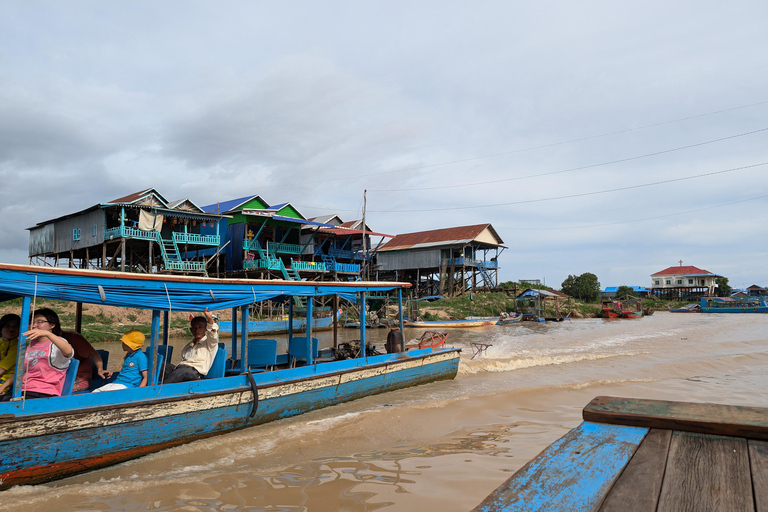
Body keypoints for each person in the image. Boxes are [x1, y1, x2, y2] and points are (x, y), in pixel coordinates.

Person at [18, 308, 73, 399]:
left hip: (43, 392)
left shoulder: (56, 344)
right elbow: (21, 369)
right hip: (23, 390)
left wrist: (48, 334)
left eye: (40, 322)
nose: (34, 325)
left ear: (52, 325)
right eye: (32, 322)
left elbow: (68, 351)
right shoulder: (31, 344)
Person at [163, 309, 218, 383]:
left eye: (200, 327)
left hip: (194, 374)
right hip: (179, 370)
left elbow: (213, 333)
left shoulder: (210, 343)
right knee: (160, 365)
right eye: (194, 328)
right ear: (191, 330)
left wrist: (209, 318)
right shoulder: (188, 346)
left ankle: (160, 391)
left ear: (205, 329)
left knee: (183, 371)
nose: (197, 330)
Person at [0, 314, 20, 396]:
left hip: (6, 383)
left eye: (15, 326)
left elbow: (1, 370)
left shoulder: (18, 346)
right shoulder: (1, 344)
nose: (11, 329)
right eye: (7, 326)